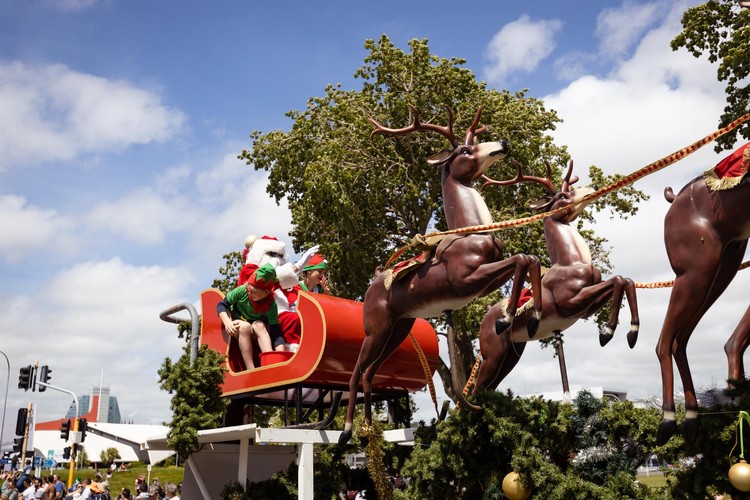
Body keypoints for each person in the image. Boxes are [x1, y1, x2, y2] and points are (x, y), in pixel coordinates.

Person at [217, 264, 285, 370]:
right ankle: (250, 368)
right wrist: (227, 322)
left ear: (266, 293)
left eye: (253, 292)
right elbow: (221, 305)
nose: (249, 292)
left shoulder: (271, 305)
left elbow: (276, 333)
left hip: (255, 329)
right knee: (245, 326)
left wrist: (281, 355)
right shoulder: (242, 290)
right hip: (238, 326)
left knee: (260, 325)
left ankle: (270, 363)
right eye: (249, 288)